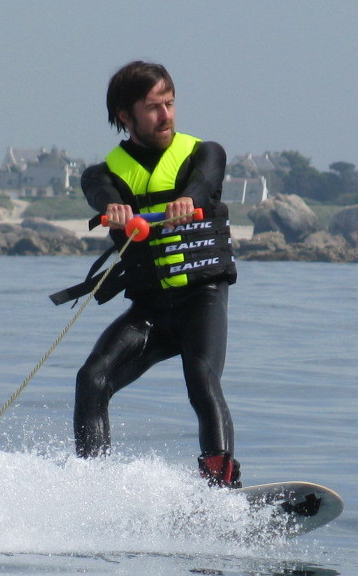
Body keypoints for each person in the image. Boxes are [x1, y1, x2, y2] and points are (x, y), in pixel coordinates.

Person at [66, 60, 240, 487]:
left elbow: (204, 182)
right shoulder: (103, 174)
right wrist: (114, 209)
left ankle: (221, 486)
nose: (165, 115)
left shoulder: (205, 152)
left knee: (201, 376)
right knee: (92, 378)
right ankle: (93, 488)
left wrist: (187, 199)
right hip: (151, 310)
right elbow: (100, 193)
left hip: (202, 299)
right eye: (153, 107)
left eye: (170, 103)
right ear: (126, 116)